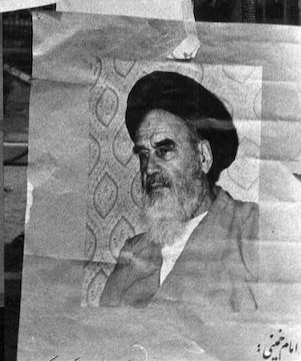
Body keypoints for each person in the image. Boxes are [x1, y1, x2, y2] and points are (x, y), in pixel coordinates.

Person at [99, 70, 258, 311]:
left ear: (203, 157)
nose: (149, 168)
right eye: (144, 155)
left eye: (163, 150)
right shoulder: (133, 251)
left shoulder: (252, 229)